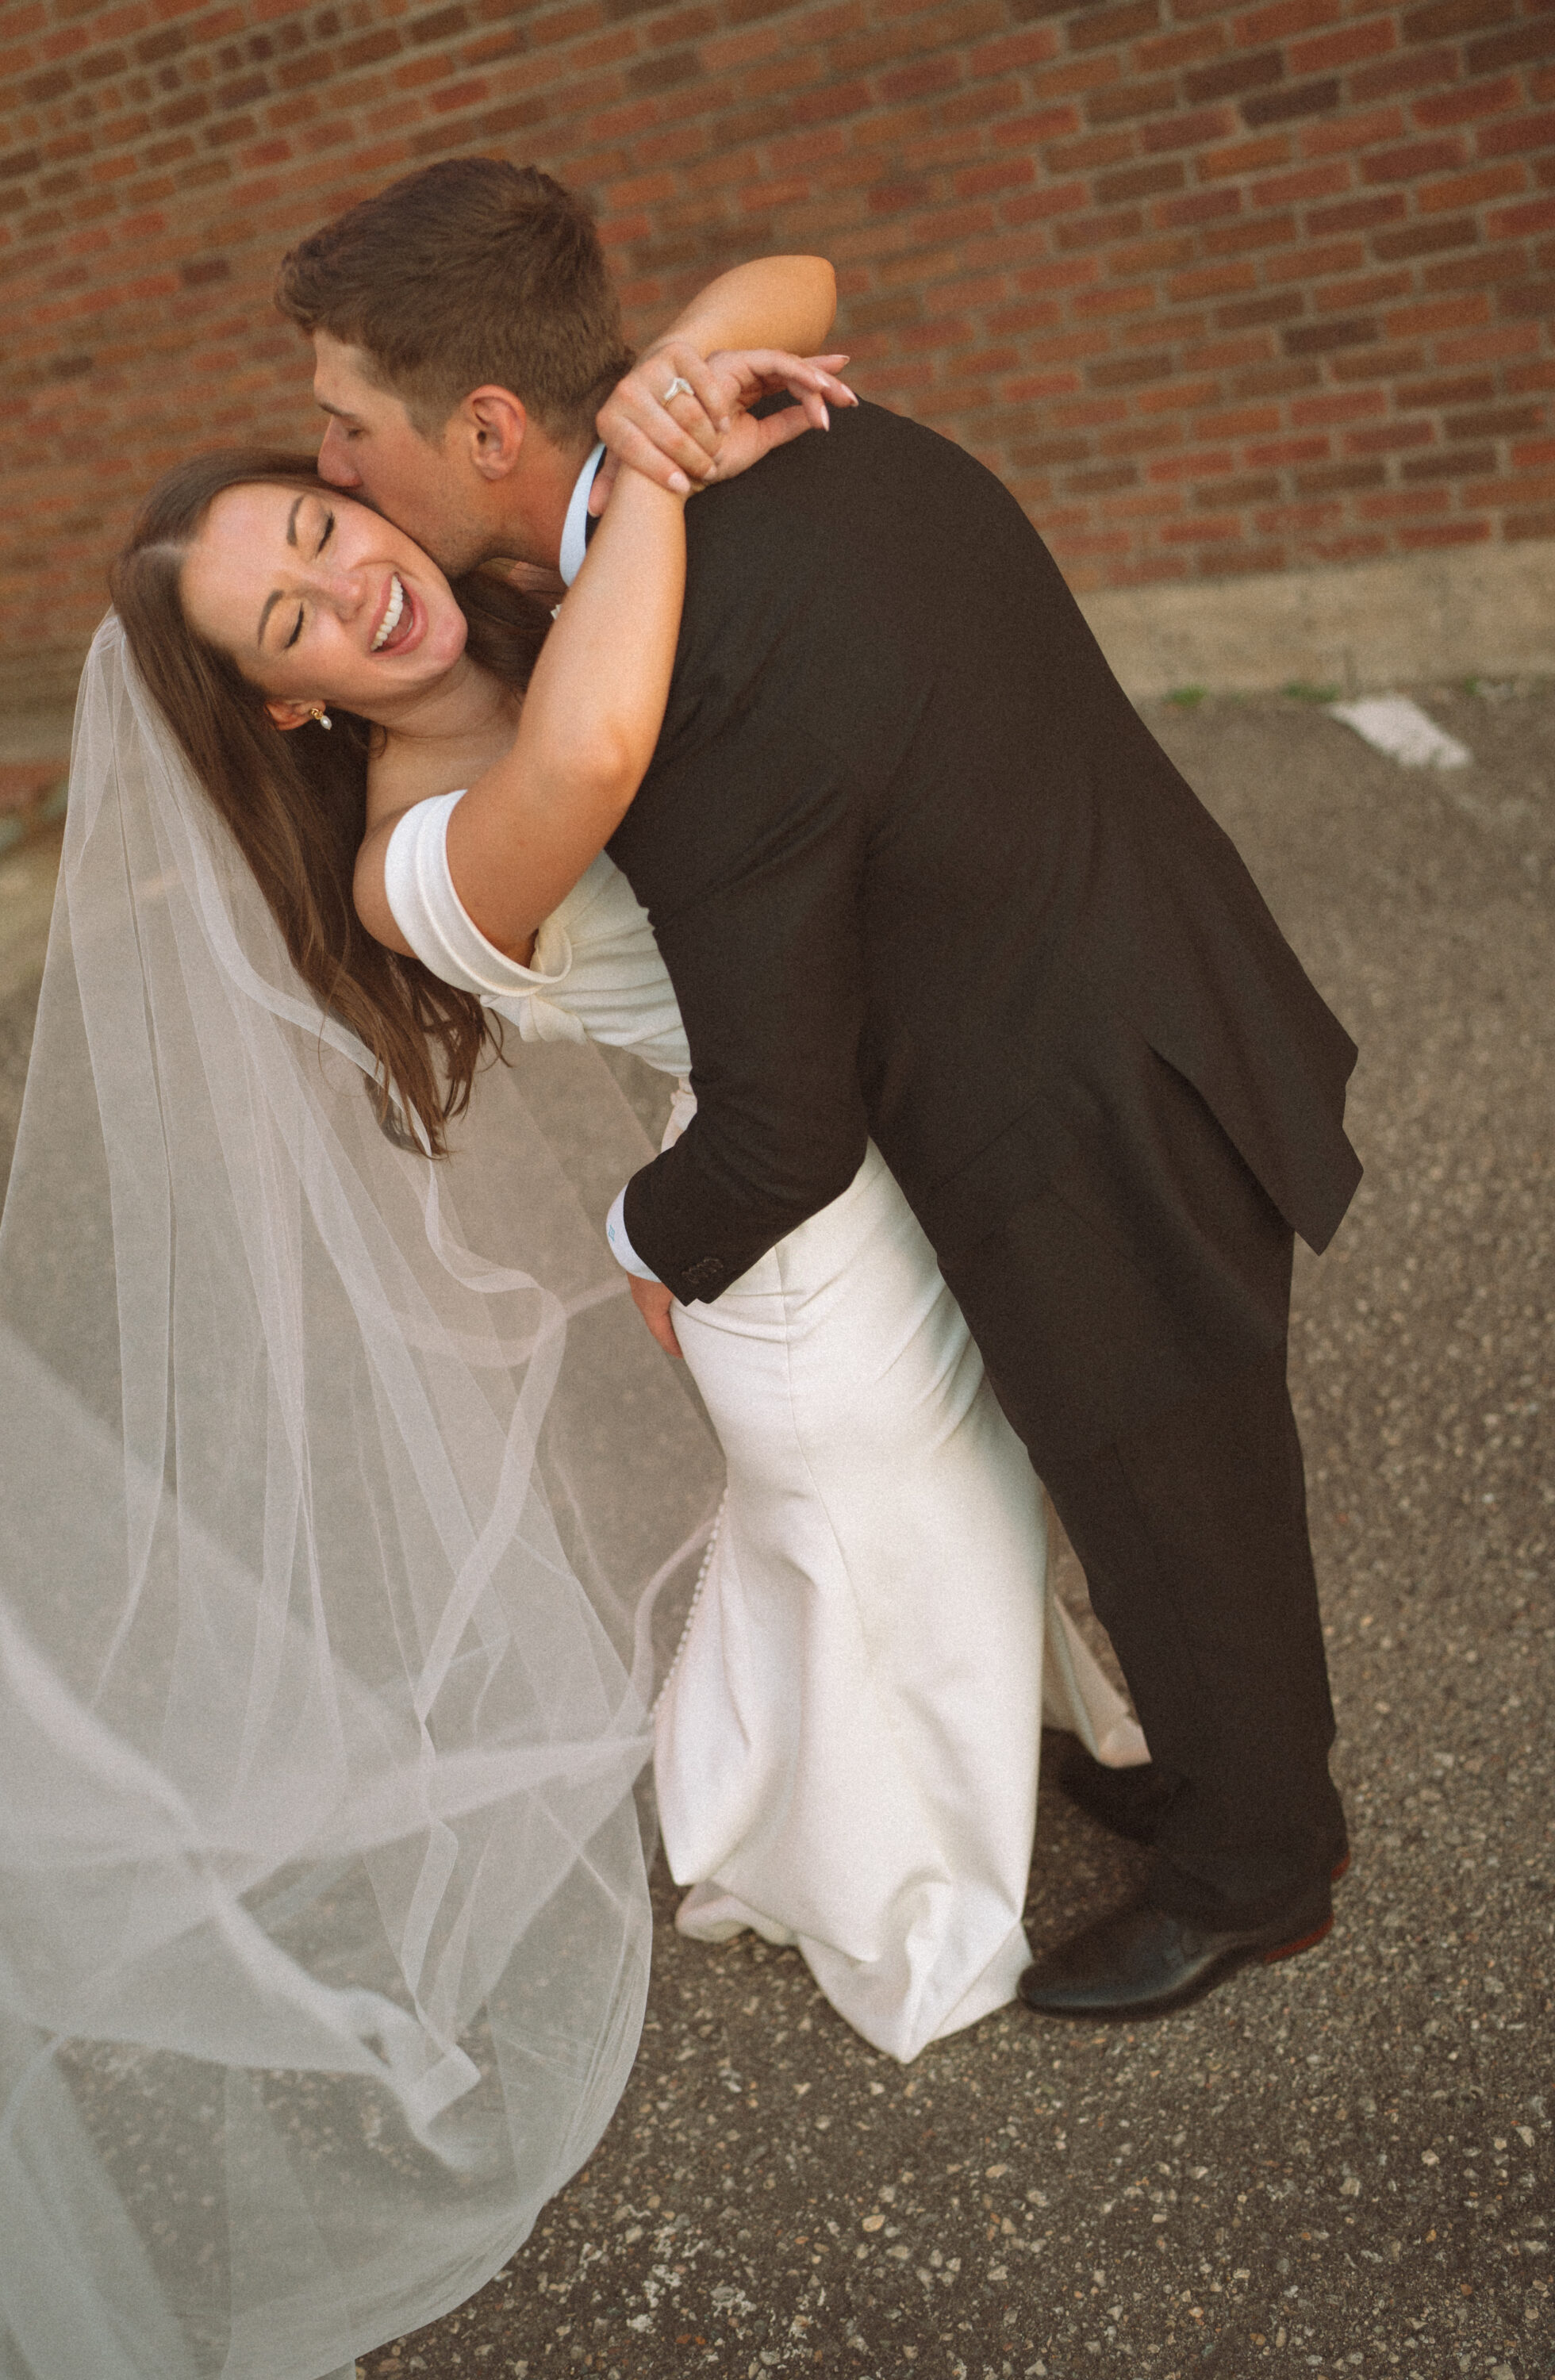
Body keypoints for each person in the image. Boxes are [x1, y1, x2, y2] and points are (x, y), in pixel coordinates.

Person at [278, 156, 1364, 2023]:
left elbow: (780, 1123)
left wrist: (643, 1244)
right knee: (1144, 1482)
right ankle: (1207, 1755)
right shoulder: (806, 437)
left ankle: (1259, 1867)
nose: (331, 472)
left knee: (1182, 1490)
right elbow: (791, 280)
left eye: (346, 430)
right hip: (1158, 977)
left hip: (1077, 1106)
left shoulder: (679, 669)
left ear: (480, 423)